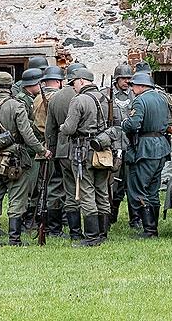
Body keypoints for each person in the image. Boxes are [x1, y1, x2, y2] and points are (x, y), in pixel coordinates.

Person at [0, 71, 51, 247]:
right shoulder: (17, 106)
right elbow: (27, 134)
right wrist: (42, 150)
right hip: (16, 161)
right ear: (10, 86)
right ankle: (14, 239)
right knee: (17, 199)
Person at [60, 68, 111, 247]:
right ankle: (103, 234)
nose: (73, 86)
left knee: (86, 191)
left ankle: (91, 237)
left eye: (73, 82)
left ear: (81, 81)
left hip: (83, 151)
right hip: (103, 151)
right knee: (102, 191)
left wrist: (62, 127)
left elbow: (70, 128)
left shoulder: (79, 100)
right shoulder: (107, 99)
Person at [123, 71, 170, 239]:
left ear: (142, 86)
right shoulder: (162, 99)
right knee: (153, 190)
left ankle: (149, 230)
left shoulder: (140, 101)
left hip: (145, 149)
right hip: (161, 147)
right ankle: (152, 229)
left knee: (139, 189)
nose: (132, 88)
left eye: (134, 85)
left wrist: (124, 123)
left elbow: (134, 124)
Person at [47, 62, 86, 240]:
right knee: (88, 189)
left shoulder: (55, 98)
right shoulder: (87, 97)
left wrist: (52, 150)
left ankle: (70, 231)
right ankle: (92, 230)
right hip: (84, 149)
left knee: (65, 190)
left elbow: (50, 130)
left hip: (62, 151)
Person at [101, 63, 139, 229]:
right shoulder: (107, 95)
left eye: (129, 78)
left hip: (131, 143)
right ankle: (110, 215)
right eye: (124, 78)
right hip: (114, 143)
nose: (127, 81)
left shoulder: (135, 95)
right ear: (117, 79)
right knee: (114, 184)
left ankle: (135, 218)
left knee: (131, 183)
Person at [36, 65, 65, 237]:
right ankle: (54, 226)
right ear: (57, 81)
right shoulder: (57, 98)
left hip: (41, 146)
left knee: (44, 186)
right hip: (52, 146)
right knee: (55, 186)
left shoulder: (38, 97)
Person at [15, 68, 43, 232]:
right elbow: (26, 125)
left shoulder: (30, 98)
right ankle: (26, 220)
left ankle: (31, 218)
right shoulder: (21, 101)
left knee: (36, 185)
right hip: (28, 149)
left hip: (33, 148)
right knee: (30, 187)